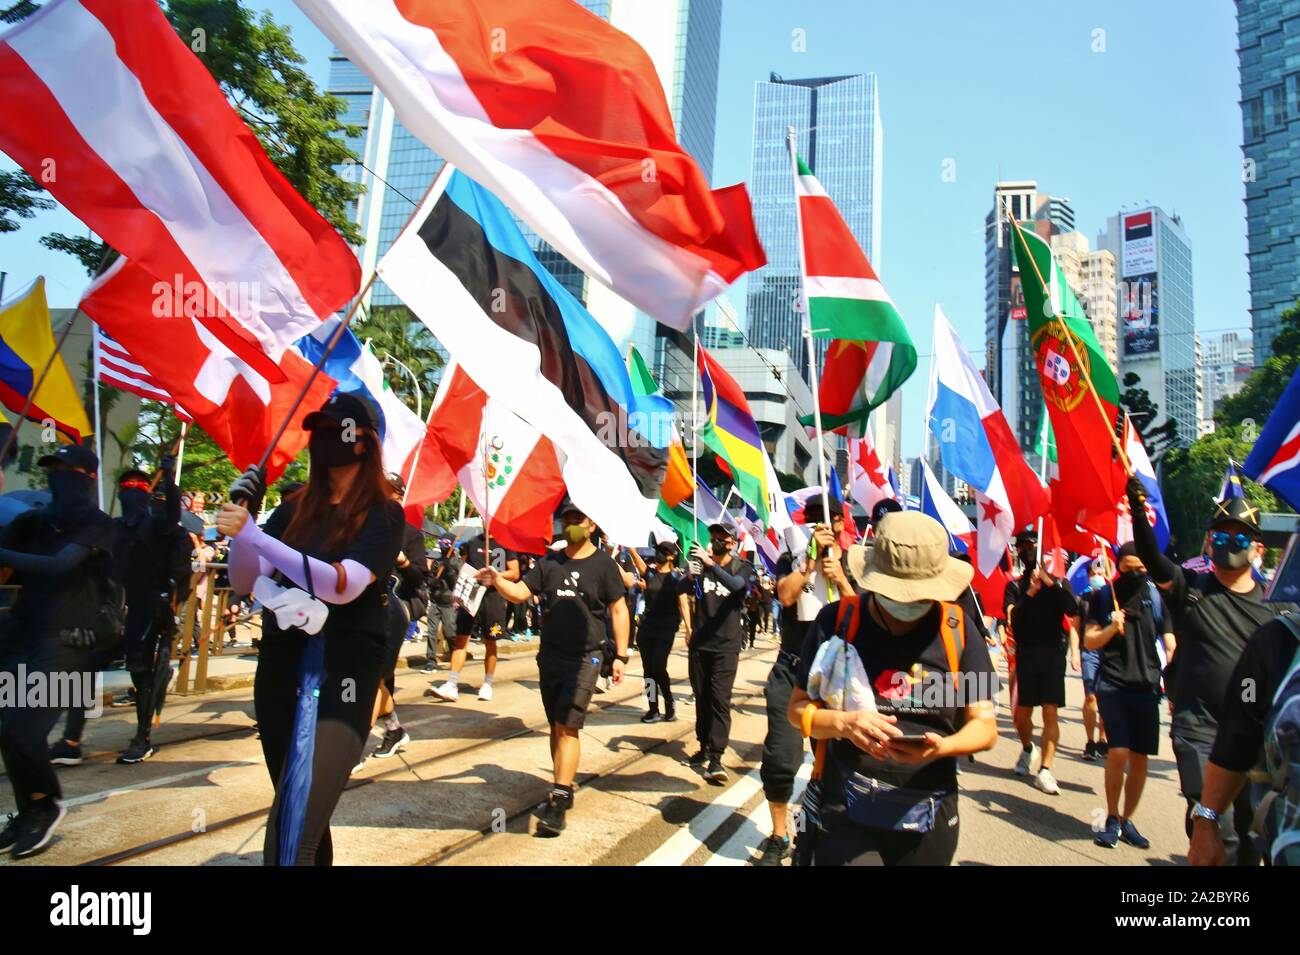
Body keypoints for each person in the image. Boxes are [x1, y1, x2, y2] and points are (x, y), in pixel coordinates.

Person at [219, 392, 404, 866]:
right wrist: (248, 524)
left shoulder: (384, 513)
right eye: (317, 427)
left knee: (292, 828)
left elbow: (342, 585)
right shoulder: (293, 509)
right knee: (302, 819)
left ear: (363, 442)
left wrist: (256, 537)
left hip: (342, 675)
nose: (322, 436)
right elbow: (243, 579)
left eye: (335, 427)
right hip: (281, 669)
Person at [787, 511, 998, 866]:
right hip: (847, 806)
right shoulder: (837, 622)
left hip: (929, 812)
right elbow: (797, 709)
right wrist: (843, 724)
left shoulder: (959, 630)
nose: (907, 604)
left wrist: (942, 747)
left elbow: (985, 726)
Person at [1127, 479, 1285, 865]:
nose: (1231, 544)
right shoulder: (1190, 588)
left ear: (1259, 549)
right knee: (1221, 828)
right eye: (1222, 535)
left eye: (1241, 538)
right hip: (1198, 729)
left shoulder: (1276, 610)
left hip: (1251, 736)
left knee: (1251, 837)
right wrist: (1137, 508)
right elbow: (1152, 557)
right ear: (1209, 542)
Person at [477, 498, 629, 835]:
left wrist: (620, 655)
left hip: (586, 656)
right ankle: (563, 784)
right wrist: (495, 580)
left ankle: (559, 800)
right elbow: (519, 592)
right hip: (551, 656)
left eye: (579, 518)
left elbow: (619, 609)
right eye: (568, 518)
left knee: (568, 725)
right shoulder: (549, 563)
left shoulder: (604, 565)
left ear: (592, 525)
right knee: (557, 726)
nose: (571, 523)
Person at [0, 443, 115, 859]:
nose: (57, 474)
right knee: (7, 732)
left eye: (67, 468)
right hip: (23, 635)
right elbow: (7, 569)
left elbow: (60, 565)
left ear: (86, 477)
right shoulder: (32, 522)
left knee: (25, 729)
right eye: (52, 467)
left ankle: (46, 805)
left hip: (68, 640)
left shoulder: (97, 523)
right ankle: (29, 809)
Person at [757, 500, 853, 866]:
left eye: (826, 519)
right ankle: (780, 835)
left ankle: (824, 830)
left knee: (834, 764)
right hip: (791, 669)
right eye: (811, 521)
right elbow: (784, 594)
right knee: (780, 759)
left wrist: (841, 577)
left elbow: (863, 611)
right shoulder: (792, 557)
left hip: (836, 679)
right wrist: (808, 563)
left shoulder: (857, 561)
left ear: (841, 523)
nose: (819, 526)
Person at [1188, 606, 1299, 866]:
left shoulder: (1273, 618)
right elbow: (1240, 730)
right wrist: (1206, 820)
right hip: (1220, 714)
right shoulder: (1277, 638)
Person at [1084, 542, 1175, 850]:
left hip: (1147, 684)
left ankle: (1127, 819)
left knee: (1140, 757)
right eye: (1127, 569)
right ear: (1117, 566)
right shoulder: (1102, 596)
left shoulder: (1155, 596)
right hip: (1113, 682)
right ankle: (1110, 817)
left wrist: (1174, 660)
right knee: (1119, 751)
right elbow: (1090, 640)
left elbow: (1170, 638)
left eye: (1140, 569)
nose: (1134, 574)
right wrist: (1112, 627)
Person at [1004, 529, 1080, 795]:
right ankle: (1028, 748)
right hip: (1026, 654)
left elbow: (1072, 609)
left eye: (1031, 546)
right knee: (1022, 715)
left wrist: (1049, 583)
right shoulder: (1015, 585)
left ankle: (1045, 770)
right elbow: (1014, 619)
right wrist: (1032, 592)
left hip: (1052, 654)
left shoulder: (1058, 582)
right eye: (1022, 547)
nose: (1026, 550)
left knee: (1050, 711)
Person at [687, 522, 756, 785]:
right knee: (702, 697)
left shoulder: (742, 567)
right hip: (700, 644)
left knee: (719, 699)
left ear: (731, 542)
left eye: (721, 537)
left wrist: (710, 564)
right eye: (713, 535)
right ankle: (703, 744)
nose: (715, 540)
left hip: (726, 646)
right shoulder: (700, 567)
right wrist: (690, 576)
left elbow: (738, 587)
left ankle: (716, 757)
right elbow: (683, 591)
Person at [431, 530, 520, 703]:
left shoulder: (506, 543)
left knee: (491, 640)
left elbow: (515, 573)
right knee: (461, 639)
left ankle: (487, 683)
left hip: (494, 598)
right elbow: (463, 567)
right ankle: (452, 683)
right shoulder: (472, 542)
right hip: (471, 595)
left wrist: (495, 576)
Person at [626, 542, 687, 723]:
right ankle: (653, 709)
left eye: (663, 552)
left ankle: (669, 702)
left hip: (666, 628)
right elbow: (637, 561)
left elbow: (683, 604)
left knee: (659, 667)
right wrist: (630, 547)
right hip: (647, 628)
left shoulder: (677, 579)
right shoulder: (650, 574)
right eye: (658, 551)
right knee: (648, 670)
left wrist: (690, 629)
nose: (659, 554)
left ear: (671, 556)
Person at [1079, 559, 1110, 761]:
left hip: (1109, 652)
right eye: (1093, 571)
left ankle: (1103, 740)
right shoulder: (1084, 598)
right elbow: (1075, 626)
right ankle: (1090, 741)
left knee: (1107, 698)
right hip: (1089, 652)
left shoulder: (1114, 597)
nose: (1096, 574)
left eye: (1100, 571)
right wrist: (1074, 651)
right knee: (1091, 697)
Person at [424, 538, 460, 672]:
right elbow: (429, 578)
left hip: (449, 603)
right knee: (431, 632)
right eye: (441, 543)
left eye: (446, 543)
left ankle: (455, 657)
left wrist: (450, 571)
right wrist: (432, 580)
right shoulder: (438, 561)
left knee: (450, 633)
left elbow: (458, 582)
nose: (443, 546)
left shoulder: (456, 562)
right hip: (435, 601)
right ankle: (430, 661)